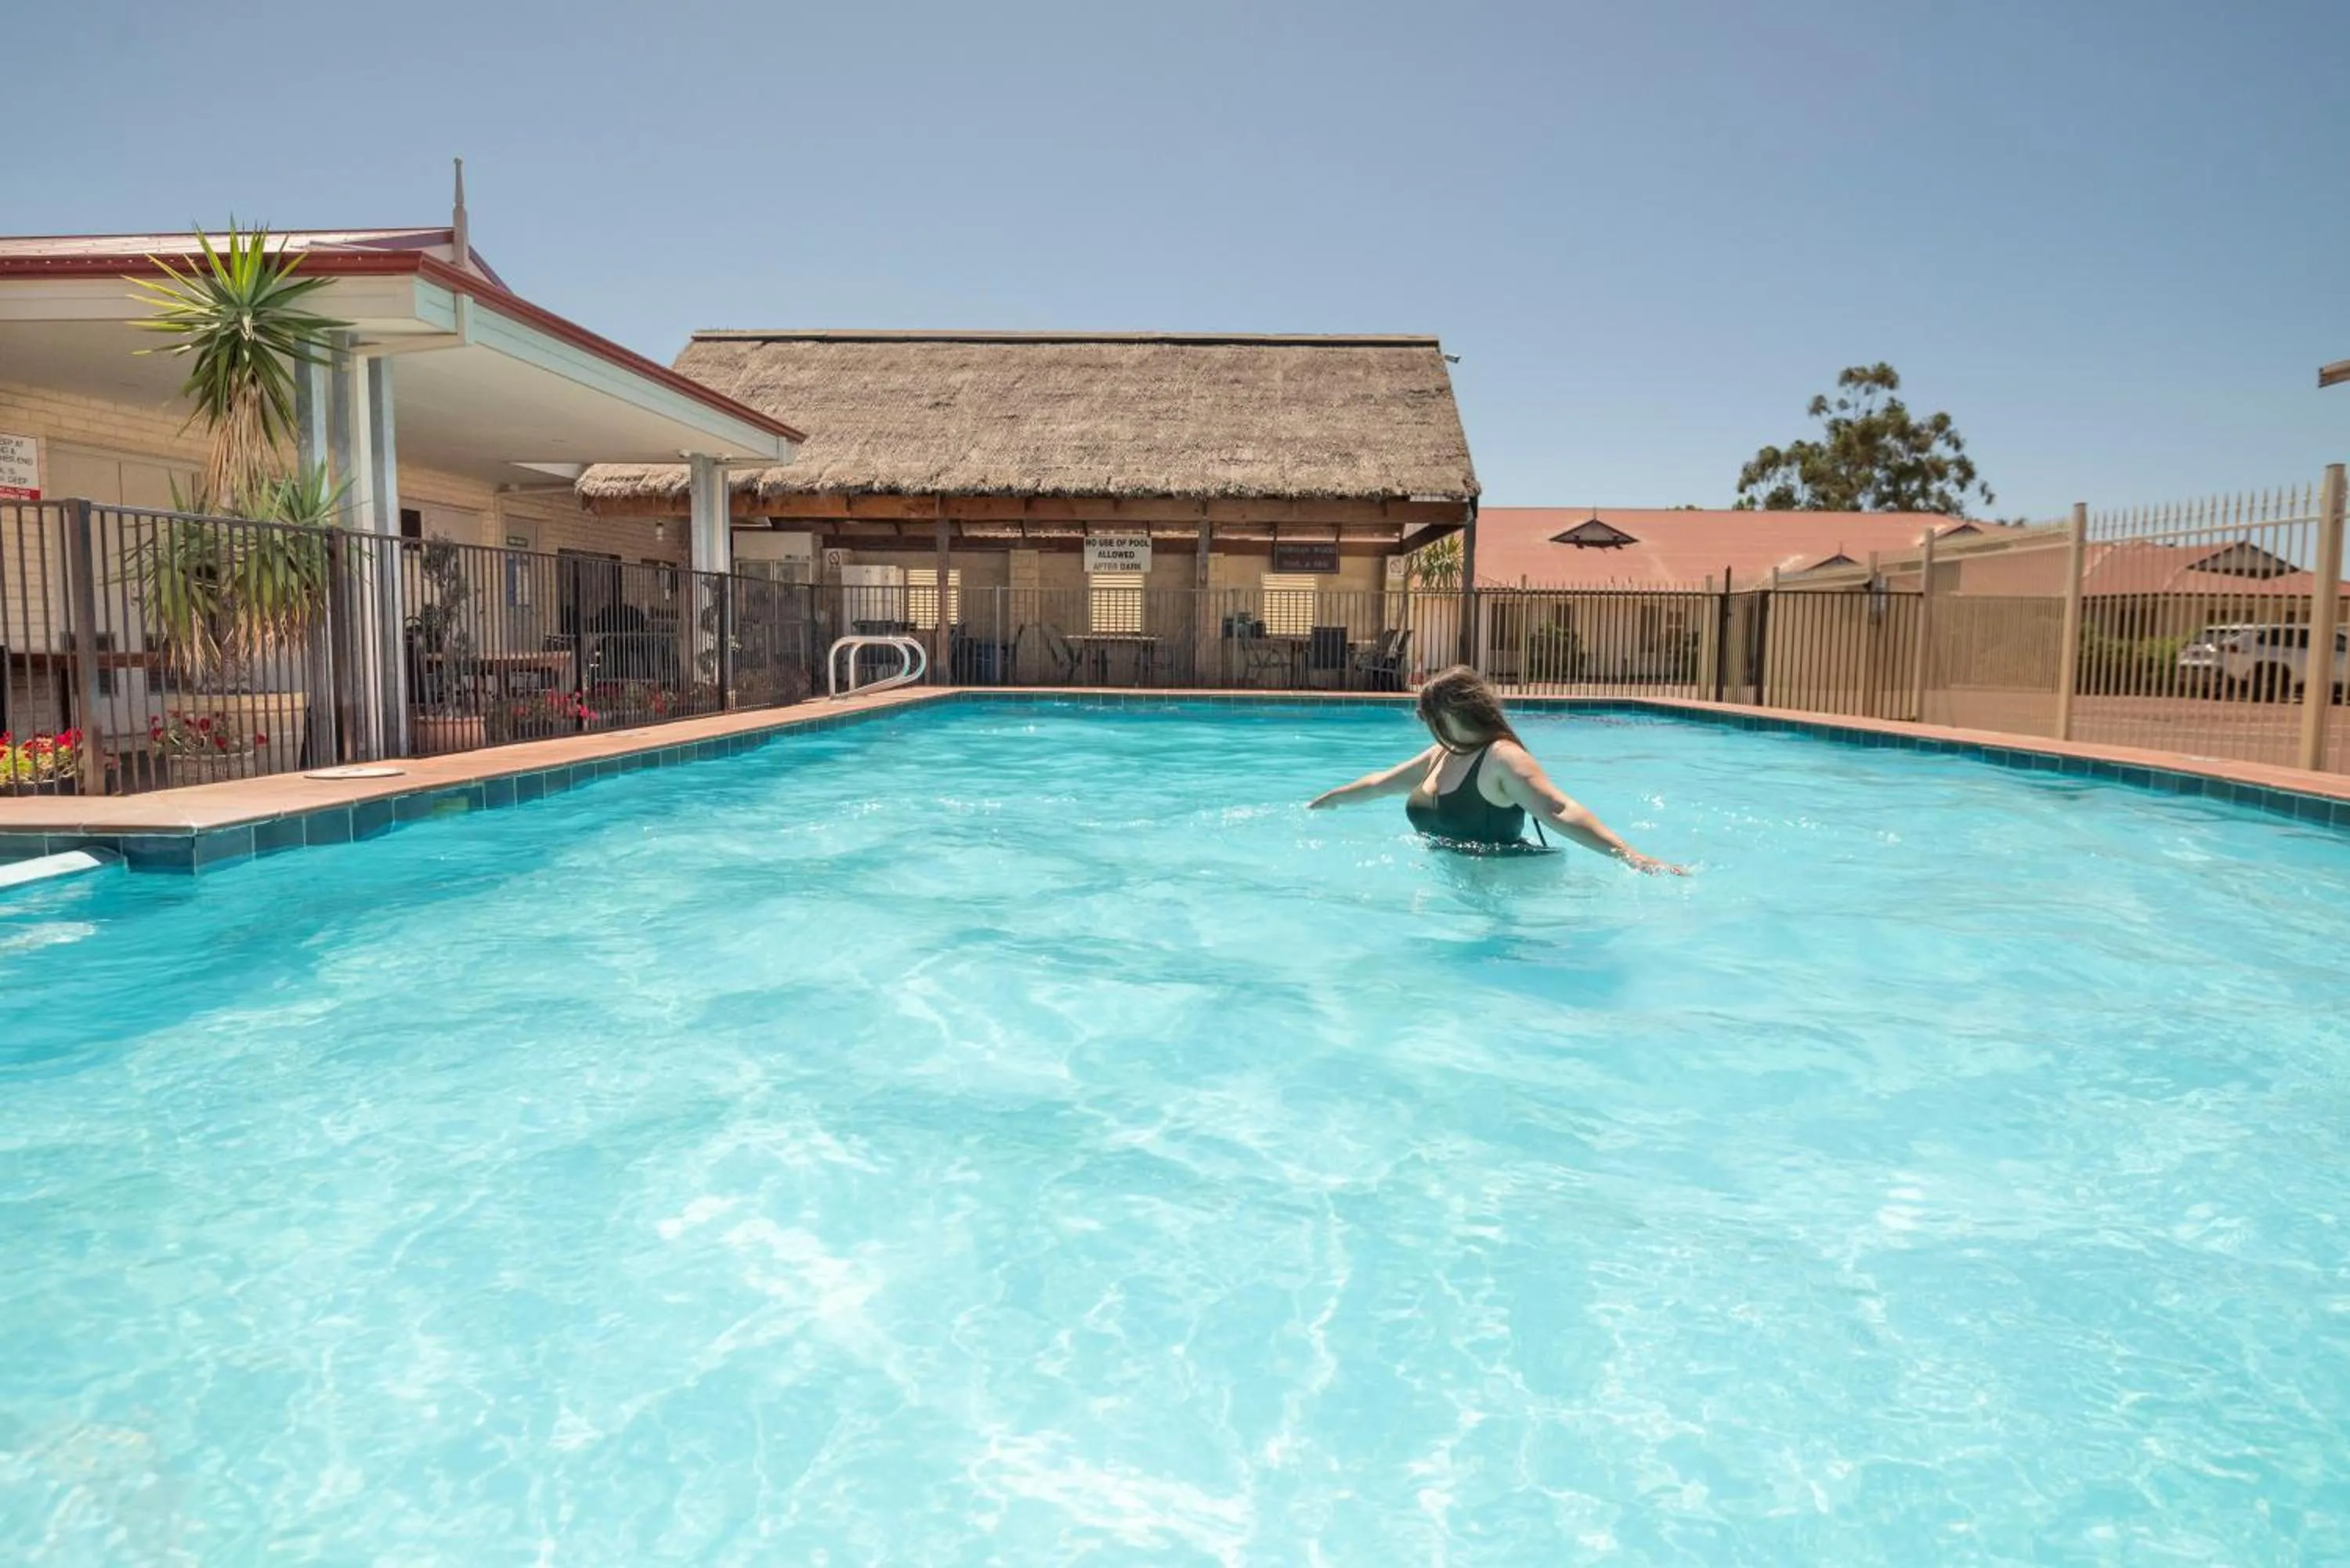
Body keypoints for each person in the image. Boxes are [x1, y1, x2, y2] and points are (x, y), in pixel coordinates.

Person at [1307, 666, 1687, 874]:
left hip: (1501, 889)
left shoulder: (1502, 758)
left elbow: (1558, 809)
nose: (1425, 724)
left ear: (1450, 715)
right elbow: (1380, 784)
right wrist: (1330, 801)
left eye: (1428, 717)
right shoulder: (1442, 753)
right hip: (1448, 879)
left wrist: (1632, 856)